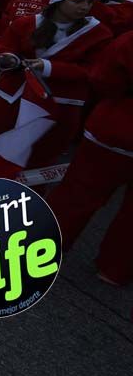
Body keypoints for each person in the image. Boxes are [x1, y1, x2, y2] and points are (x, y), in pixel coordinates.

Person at [0, 0, 111, 179]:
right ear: (58, 2)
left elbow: (94, 69)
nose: (84, 7)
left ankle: (25, 200)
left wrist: (48, 67)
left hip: (60, 100)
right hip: (13, 95)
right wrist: (9, 58)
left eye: (89, 2)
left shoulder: (99, 33)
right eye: (77, 1)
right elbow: (4, 47)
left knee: (41, 155)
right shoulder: (25, 23)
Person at [47, 30, 133, 287]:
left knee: (79, 192)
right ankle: (115, 269)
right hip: (117, 127)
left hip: (116, 127)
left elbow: (103, 79)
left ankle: (47, 246)